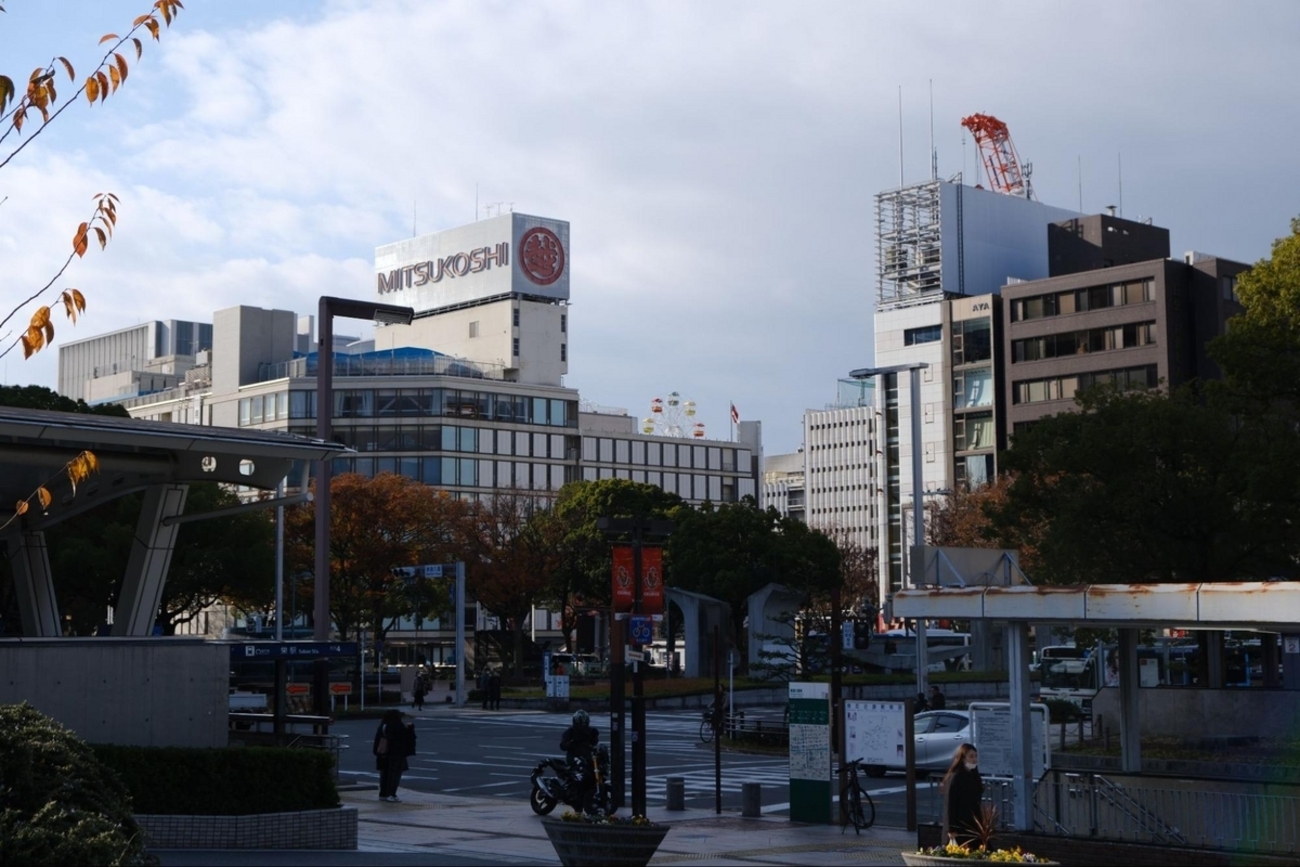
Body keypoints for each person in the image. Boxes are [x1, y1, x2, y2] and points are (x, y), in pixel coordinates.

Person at [942, 743, 984, 846]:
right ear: (962, 758)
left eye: (975, 756)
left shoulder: (974, 775)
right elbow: (950, 804)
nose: (974, 759)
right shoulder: (956, 777)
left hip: (973, 824)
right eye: (971, 756)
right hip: (959, 825)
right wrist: (951, 828)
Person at [374, 710, 414, 802]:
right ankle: (391, 794)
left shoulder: (383, 725)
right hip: (397, 754)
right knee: (394, 775)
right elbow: (407, 739)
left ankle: (383, 794)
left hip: (383, 754)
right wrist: (410, 728)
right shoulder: (398, 727)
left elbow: (377, 740)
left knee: (384, 775)